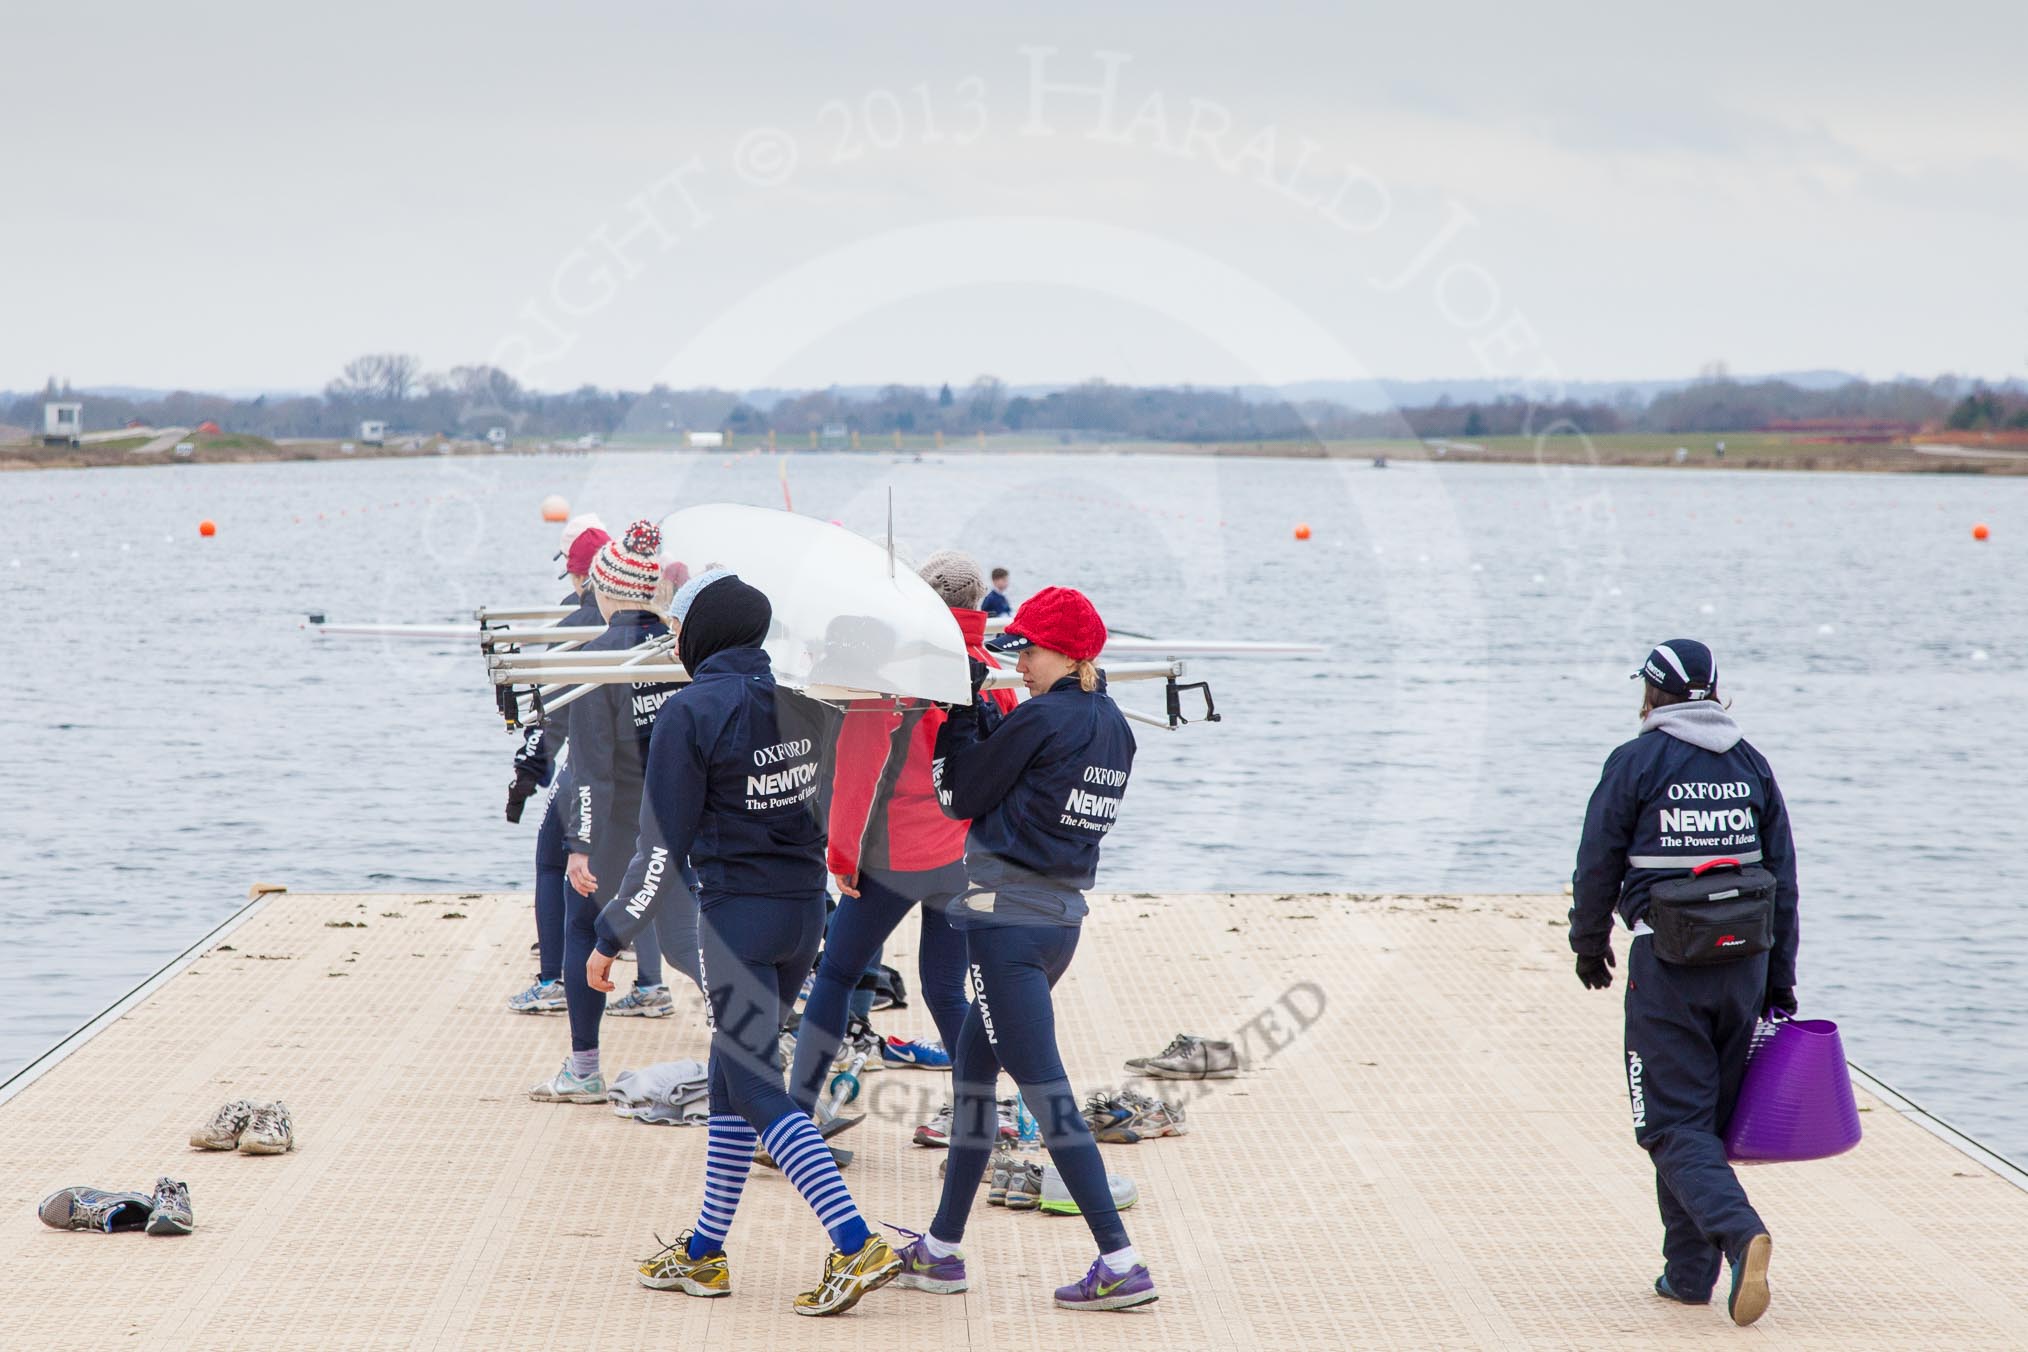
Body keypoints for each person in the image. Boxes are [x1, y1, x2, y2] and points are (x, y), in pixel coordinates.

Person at [592, 570, 900, 1317]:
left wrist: (611, 936)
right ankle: (703, 1254)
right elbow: (837, 805)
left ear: (706, 633)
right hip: (803, 917)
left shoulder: (689, 710)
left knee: (758, 1085)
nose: (671, 637)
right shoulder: (805, 698)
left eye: (678, 626)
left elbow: (660, 849)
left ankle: (855, 1240)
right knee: (731, 1077)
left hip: (736, 923)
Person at [889, 585, 1157, 1313]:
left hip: (1007, 927)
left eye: (1030, 651)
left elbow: (958, 796)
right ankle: (941, 1251)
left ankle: (1121, 1260)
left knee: (1046, 1092)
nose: (1022, 664)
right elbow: (1029, 796)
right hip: (1058, 923)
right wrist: (979, 718)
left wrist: (959, 717)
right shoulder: (1115, 725)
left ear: (1069, 654)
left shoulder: (1042, 716)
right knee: (974, 1083)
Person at [1569, 639, 1799, 1328]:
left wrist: (1589, 946)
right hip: (1746, 965)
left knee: (1671, 1124)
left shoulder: (1635, 762)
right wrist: (1780, 981)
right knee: (1703, 1124)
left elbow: (1596, 862)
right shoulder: (1750, 764)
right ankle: (1689, 1275)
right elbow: (1784, 879)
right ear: (1712, 691)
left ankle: (1738, 1234)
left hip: (1671, 967)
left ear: (1654, 693)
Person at [787, 550, 1020, 1114]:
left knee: (837, 976)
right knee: (944, 987)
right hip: (963, 857)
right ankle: (982, 1110)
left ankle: (795, 1108)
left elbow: (856, 775)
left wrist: (841, 856)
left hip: (891, 858)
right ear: (976, 606)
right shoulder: (1000, 677)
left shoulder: (891, 677)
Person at [529, 520, 698, 1103]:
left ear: (607, 593)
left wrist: (578, 844)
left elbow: (591, 769)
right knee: (685, 939)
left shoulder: (595, 658)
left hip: (617, 823)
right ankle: (764, 1039)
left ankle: (583, 1069)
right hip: (675, 823)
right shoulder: (682, 653)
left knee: (585, 931)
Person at [507, 515, 608, 1014]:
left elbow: (553, 713)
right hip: (641, 771)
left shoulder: (576, 623)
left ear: (583, 577)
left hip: (588, 768)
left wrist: (530, 771)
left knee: (555, 862)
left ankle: (553, 979)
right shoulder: (648, 622)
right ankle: (649, 983)